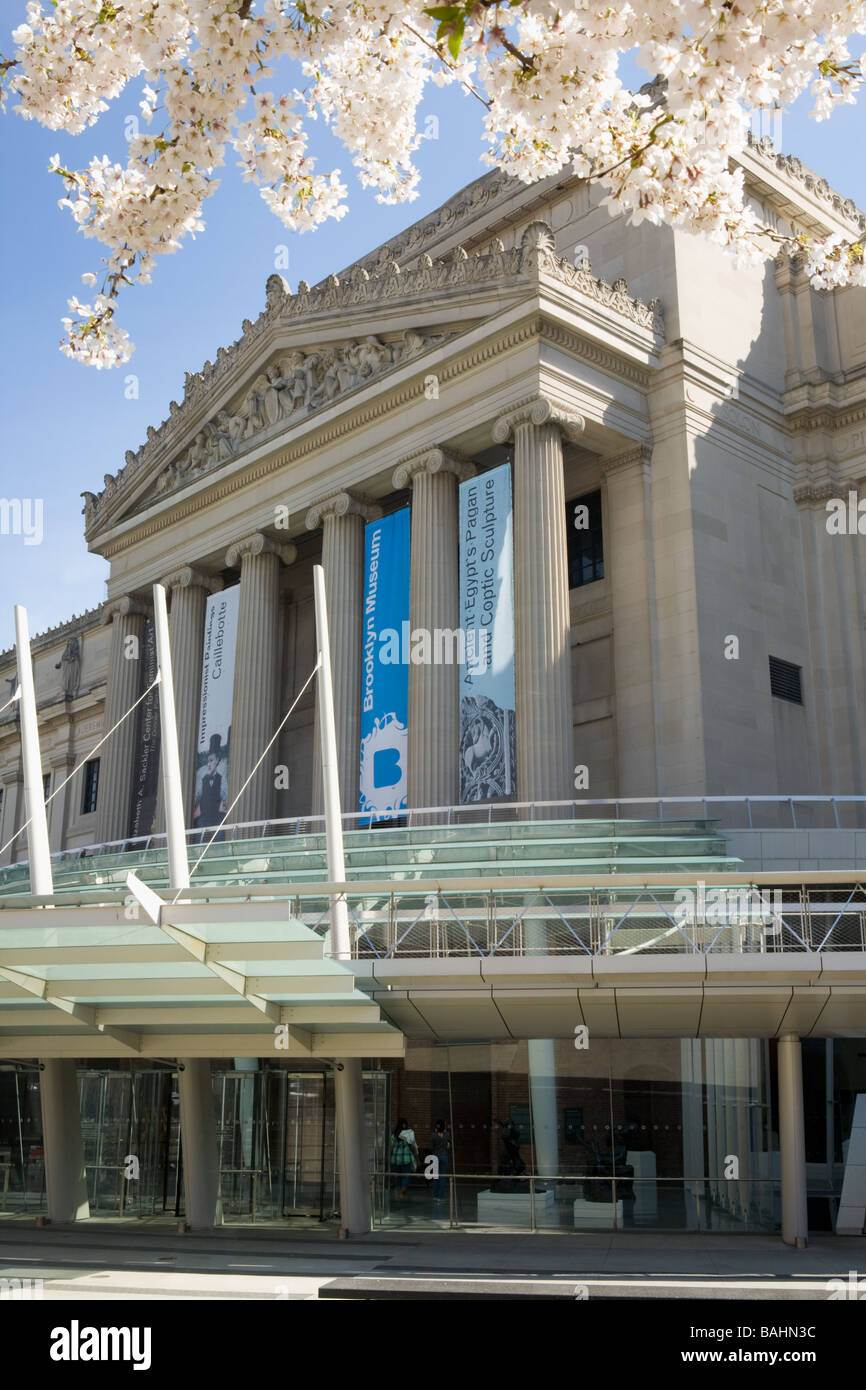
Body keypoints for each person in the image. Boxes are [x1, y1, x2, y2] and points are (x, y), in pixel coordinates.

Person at [389, 1117, 418, 1201]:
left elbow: (391, 1147)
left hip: (395, 1159)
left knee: (397, 1177)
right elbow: (413, 1145)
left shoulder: (394, 1135)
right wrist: (416, 1156)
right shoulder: (408, 1134)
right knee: (406, 1176)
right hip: (406, 1159)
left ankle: (398, 1194)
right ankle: (402, 1193)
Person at [429, 1119, 451, 1203]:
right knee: (442, 1177)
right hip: (444, 1156)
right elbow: (449, 1146)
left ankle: (435, 1195)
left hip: (435, 1157)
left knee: (435, 1177)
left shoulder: (433, 1135)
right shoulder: (447, 1135)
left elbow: (431, 1148)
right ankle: (440, 1197)